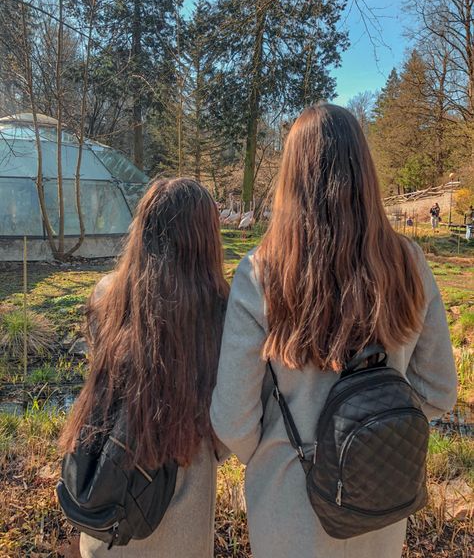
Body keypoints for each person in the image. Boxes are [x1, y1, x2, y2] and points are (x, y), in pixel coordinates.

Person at [211, 104, 457, 558]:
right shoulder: (409, 263)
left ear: (291, 176)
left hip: (290, 502)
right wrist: (376, 429)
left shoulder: (262, 272)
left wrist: (277, 454)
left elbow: (232, 418)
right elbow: (438, 390)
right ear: (364, 170)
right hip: (378, 502)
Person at [60, 178, 229, 558]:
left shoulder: (107, 296)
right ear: (206, 240)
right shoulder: (221, 313)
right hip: (183, 518)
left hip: (108, 509)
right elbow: (230, 425)